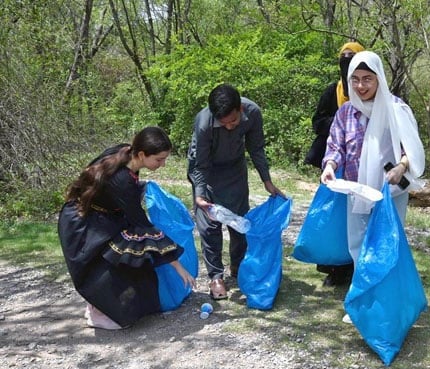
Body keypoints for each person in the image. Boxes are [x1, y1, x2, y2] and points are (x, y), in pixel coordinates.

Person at [58, 126, 197, 330]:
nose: (163, 164)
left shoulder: (127, 153)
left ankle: (99, 308)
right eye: (159, 159)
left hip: (105, 217)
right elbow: (144, 225)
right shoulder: (122, 179)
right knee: (107, 266)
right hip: (85, 222)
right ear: (142, 154)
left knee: (125, 261)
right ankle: (98, 311)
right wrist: (177, 266)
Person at [320, 50, 425, 319]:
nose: (361, 86)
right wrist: (330, 167)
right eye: (355, 79)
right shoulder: (345, 113)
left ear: (379, 79)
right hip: (356, 191)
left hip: (390, 193)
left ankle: (386, 302)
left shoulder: (396, 109)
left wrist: (401, 166)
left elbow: (410, 150)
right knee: (358, 245)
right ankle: (362, 301)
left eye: (367, 79)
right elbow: (335, 147)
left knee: (385, 244)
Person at [188, 83, 285, 300]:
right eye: (224, 124)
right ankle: (215, 276)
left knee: (239, 221)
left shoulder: (253, 113)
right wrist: (200, 195)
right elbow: (200, 165)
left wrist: (267, 181)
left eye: (233, 121)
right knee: (210, 224)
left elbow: (256, 148)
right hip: (207, 169)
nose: (230, 127)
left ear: (240, 108)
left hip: (235, 169)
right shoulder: (203, 123)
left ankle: (238, 265)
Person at [306, 41, 365, 287]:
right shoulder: (333, 92)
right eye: (344, 59)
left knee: (359, 219)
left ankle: (358, 268)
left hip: (361, 168)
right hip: (335, 165)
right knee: (334, 220)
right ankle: (335, 269)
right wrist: (341, 123)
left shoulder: (369, 90)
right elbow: (317, 122)